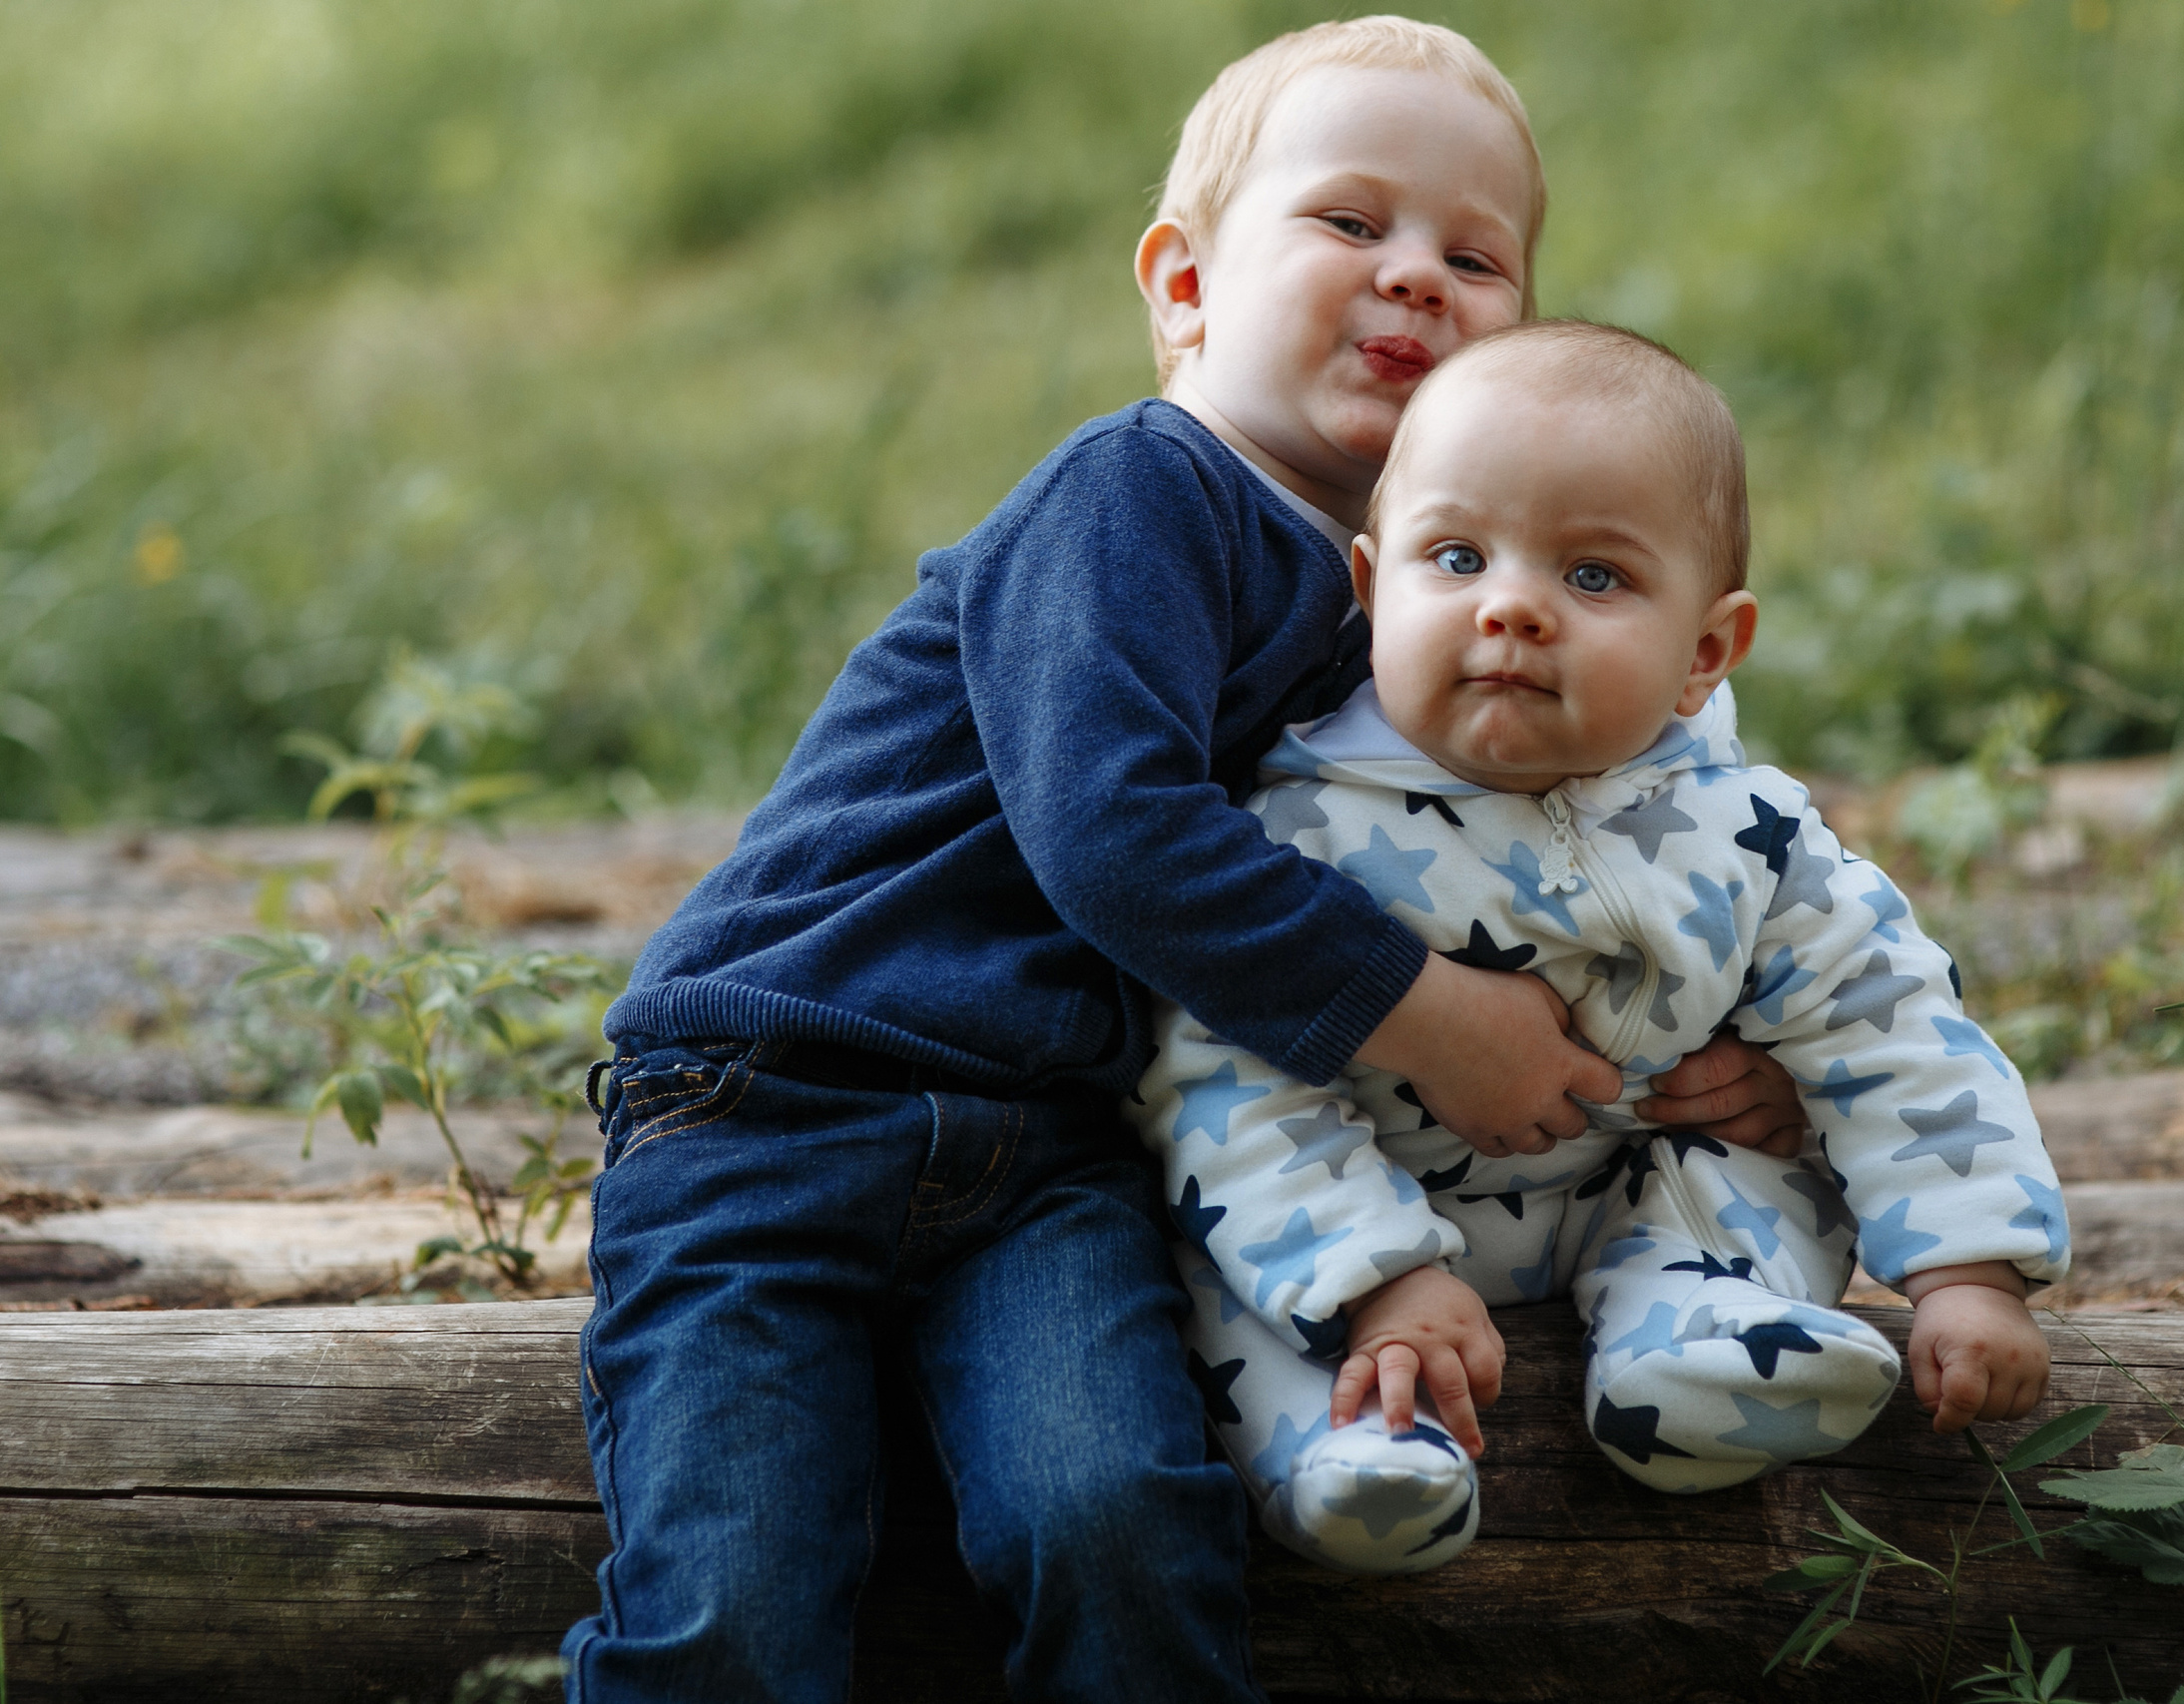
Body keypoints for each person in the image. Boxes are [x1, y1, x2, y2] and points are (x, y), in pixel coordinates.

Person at [565, 20, 1810, 1702]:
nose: (1417, 277)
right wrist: (1421, 1014)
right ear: (1184, 285)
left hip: (1062, 1153)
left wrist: (1724, 1047)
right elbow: (1118, 832)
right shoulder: (1137, 496)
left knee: (1123, 1521)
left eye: (1475, 254)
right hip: (785, 1087)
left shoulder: (1431, 601)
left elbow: (1610, 816)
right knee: (733, 1594)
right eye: (1351, 224)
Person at [1134, 318, 2071, 1574]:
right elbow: (1224, 1087)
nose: (1512, 608)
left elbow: (1894, 1023)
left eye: (1593, 578)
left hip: (1632, 1195)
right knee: (1225, 1282)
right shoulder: (1297, 837)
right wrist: (1378, 1281)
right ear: (1368, 592)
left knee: (1730, 1182)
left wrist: (1968, 1271)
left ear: (1704, 654)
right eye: (1457, 557)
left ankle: (1692, 1352)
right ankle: (1351, 1452)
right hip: (1361, 1220)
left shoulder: (1747, 833)